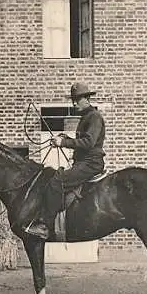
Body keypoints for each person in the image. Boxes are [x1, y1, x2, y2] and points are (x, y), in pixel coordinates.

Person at [23, 82, 106, 240]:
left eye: (78, 99)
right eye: (73, 99)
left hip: (91, 163)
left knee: (57, 181)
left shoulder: (94, 117)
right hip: (84, 162)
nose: (74, 103)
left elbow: (88, 143)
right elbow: (83, 142)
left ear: (87, 99)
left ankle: (44, 226)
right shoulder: (86, 117)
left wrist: (64, 143)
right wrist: (66, 138)